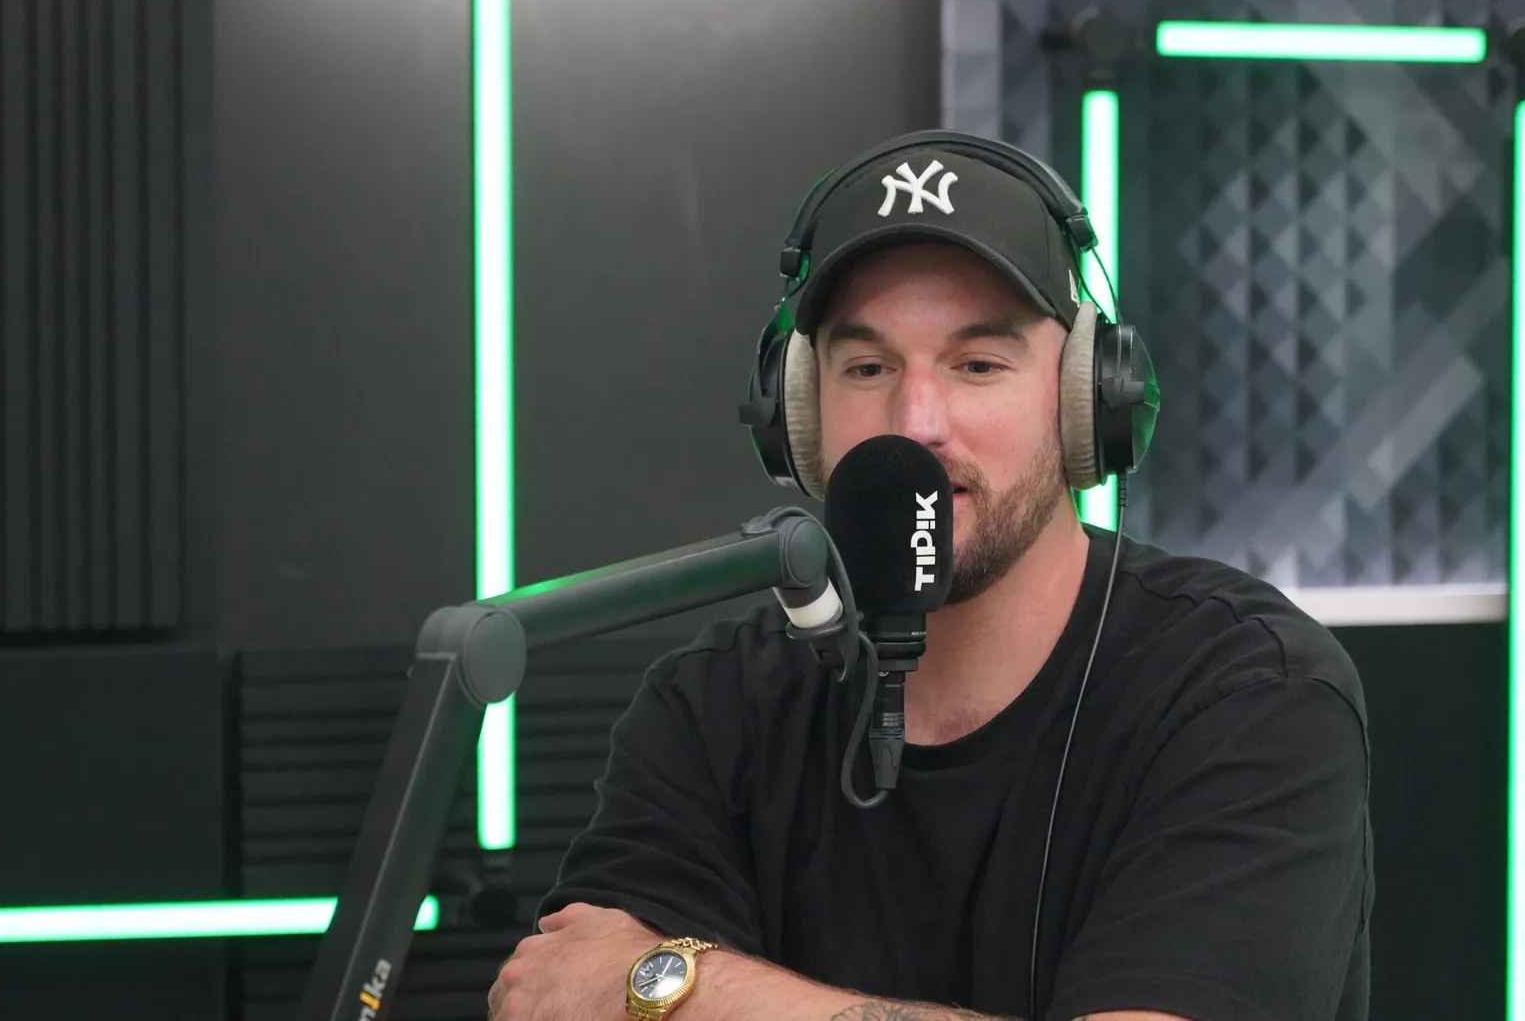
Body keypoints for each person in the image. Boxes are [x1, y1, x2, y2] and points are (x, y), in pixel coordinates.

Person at [487, 132, 1373, 1021]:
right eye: (868, 367)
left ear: (1086, 401)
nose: (915, 422)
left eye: (978, 365)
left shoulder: (1247, 690)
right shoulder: (711, 703)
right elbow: (561, 992)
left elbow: (618, 988)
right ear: (797, 416)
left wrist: (678, 988)